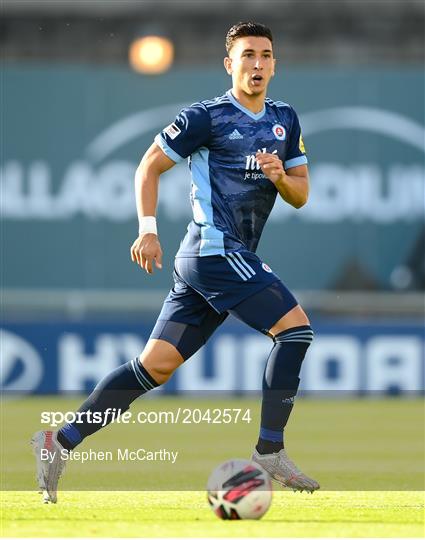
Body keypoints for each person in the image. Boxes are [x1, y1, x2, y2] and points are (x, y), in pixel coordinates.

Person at [32, 21, 319, 504]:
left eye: (266, 55)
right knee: (295, 331)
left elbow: (301, 194)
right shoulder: (205, 117)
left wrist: (278, 176)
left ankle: (58, 441)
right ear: (229, 64)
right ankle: (270, 450)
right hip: (213, 250)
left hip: (222, 259)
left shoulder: (285, 119)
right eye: (247, 55)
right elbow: (149, 164)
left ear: (275, 64)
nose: (257, 64)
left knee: (154, 368)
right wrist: (147, 229)